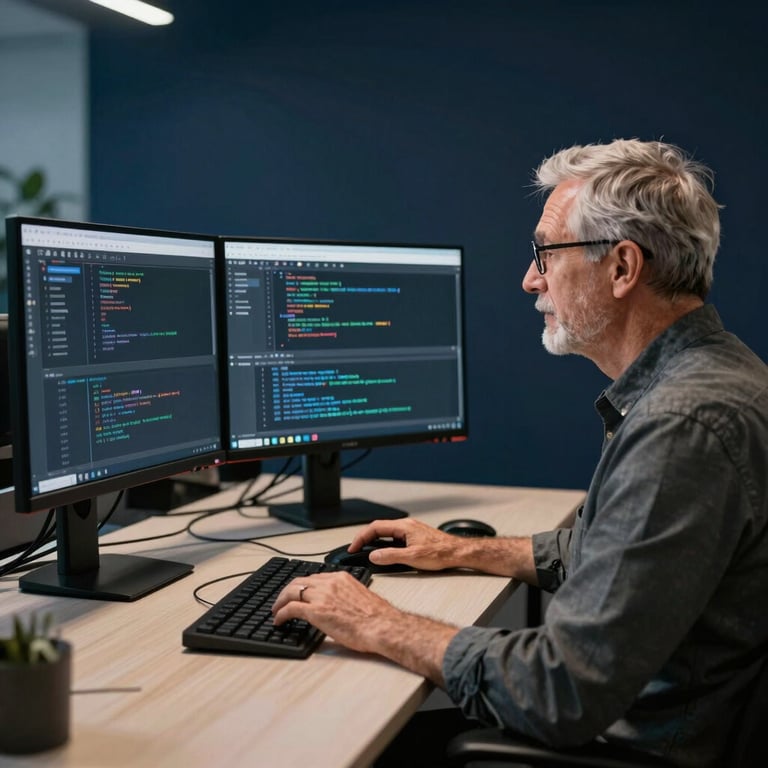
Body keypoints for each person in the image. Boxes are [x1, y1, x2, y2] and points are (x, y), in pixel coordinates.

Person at [272, 139, 768, 767]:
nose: (530, 277)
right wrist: (459, 549)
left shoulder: (684, 424)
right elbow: (611, 551)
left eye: (545, 252)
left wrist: (378, 621)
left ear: (622, 268)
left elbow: (563, 690)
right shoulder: (715, 375)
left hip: (633, 749)